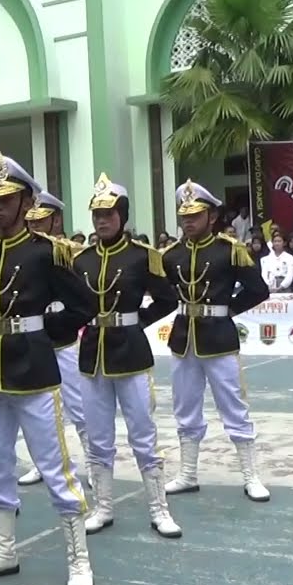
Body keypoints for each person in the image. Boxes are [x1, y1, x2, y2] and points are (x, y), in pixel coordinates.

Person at [0, 153, 97, 585]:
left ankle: (78, 558)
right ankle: (4, 551)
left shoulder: (46, 253)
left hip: (34, 371)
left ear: (26, 202)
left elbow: (83, 305)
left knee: (55, 467)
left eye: (8, 199)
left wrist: (43, 334)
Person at [72, 174, 182, 539]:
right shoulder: (82, 259)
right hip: (92, 355)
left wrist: (137, 322)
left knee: (143, 434)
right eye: (96, 215)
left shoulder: (141, 256)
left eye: (109, 213)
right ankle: (103, 507)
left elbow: (167, 299)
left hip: (131, 354)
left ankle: (159, 509)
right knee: (98, 437)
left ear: (122, 215)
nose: (101, 220)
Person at [161, 181, 271, 502]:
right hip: (183, 338)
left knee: (233, 407)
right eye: (185, 216)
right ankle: (187, 474)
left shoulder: (229, 250)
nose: (188, 221)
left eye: (196, 215)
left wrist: (227, 311)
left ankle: (251, 476)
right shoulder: (171, 255)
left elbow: (258, 289)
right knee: (185, 409)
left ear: (211, 216)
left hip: (219, 339)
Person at [19, 190, 90, 487]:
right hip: (37, 342)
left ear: (56, 219)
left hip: (64, 342)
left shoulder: (69, 252)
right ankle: (42, 463)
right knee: (40, 412)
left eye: (42, 219)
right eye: (31, 219)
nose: (35, 225)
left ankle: (93, 463)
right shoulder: (26, 253)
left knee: (79, 408)